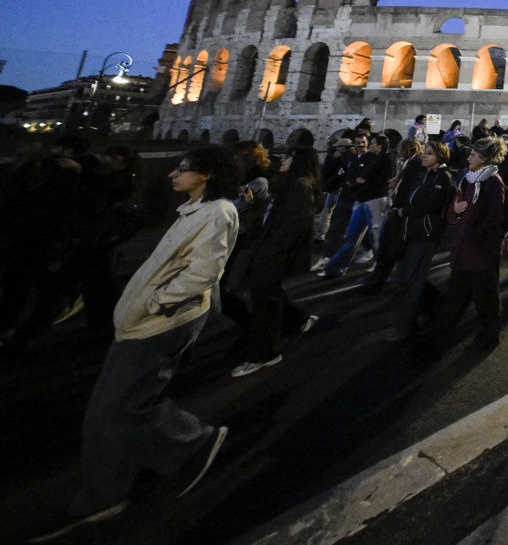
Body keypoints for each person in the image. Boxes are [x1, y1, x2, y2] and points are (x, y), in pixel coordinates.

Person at [31, 146, 240, 542]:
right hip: (142, 321)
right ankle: (105, 491)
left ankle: (194, 441)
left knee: (122, 406)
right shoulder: (195, 208)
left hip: (162, 322)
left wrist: (151, 303)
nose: (171, 175)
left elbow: (202, 274)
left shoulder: (218, 212)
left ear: (208, 173)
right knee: (103, 411)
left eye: (183, 169)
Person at [226, 147, 322, 378]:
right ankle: (299, 319)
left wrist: (269, 252)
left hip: (273, 252)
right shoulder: (290, 182)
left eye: (288, 157)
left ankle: (263, 354)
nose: (282, 161)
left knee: (264, 301)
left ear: (298, 161)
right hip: (266, 248)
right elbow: (273, 213)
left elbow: (293, 225)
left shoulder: (300, 185)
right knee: (268, 293)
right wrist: (254, 204)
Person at [420, 137, 507, 356]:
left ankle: (488, 338)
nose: (468, 158)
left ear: (484, 158)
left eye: (474, 155)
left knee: (486, 301)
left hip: (480, 252)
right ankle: (435, 340)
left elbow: (495, 216)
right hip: (466, 249)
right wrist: (456, 209)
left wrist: (478, 235)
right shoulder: (471, 179)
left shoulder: (493, 181)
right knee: (455, 300)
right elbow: (461, 208)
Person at [371, 141, 456, 344]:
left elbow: (429, 205)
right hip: (410, 233)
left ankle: (405, 329)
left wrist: (404, 211)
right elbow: (412, 198)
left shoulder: (442, 177)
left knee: (411, 284)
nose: (424, 156)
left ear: (440, 157)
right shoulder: (424, 174)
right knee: (406, 278)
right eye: (424, 153)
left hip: (425, 235)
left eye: (429, 154)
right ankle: (437, 305)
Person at [317, 133, 394, 278]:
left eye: (372, 143)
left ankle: (381, 267)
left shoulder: (386, 158)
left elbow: (385, 180)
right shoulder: (368, 158)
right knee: (352, 234)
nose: (369, 145)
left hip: (376, 200)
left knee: (376, 236)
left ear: (380, 146)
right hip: (362, 199)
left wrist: (363, 181)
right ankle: (335, 268)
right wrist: (358, 181)